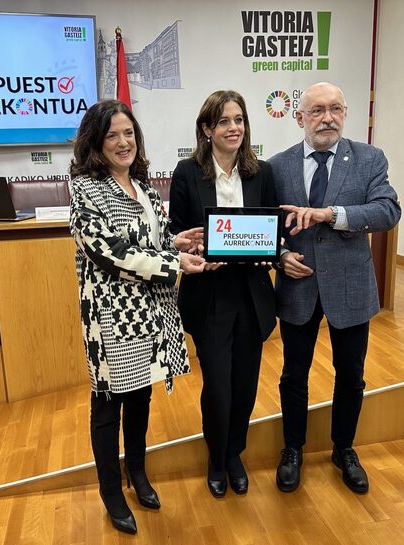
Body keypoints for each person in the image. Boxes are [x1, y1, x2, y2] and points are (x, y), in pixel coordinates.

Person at [69, 100, 206, 534]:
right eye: (112, 135)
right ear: (96, 141)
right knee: (108, 405)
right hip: (112, 313)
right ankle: (111, 490)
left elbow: (155, 237)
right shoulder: (84, 191)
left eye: (128, 133)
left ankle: (138, 471)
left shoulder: (144, 186)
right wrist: (174, 264)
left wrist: (177, 242)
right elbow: (112, 254)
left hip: (152, 311)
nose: (123, 142)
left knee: (141, 397)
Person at [269, 82, 401, 494]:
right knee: (294, 375)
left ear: (345, 113)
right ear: (300, 118)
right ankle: (292, 448)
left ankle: (344, 448)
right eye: (317, 110)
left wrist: (332, 214)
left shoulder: (368, 159)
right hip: (298, 287)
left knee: (352, 376)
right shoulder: (276, 166)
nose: (328, 117)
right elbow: (262, 226)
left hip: (349, 286)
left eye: (336, 109)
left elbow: (387, 210)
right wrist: (278, 255)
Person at [169, 90, 277, 498]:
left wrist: (272, 253)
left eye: (239, 120)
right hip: (209, 293)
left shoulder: (261, 173)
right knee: (218, 385)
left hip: (250, 294)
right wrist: (196, 250)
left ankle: (236, 454)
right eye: (224, 122)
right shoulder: (186, 172)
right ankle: (216, 458)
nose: (234, 128)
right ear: (206, 129)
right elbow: (177, 232)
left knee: (246, 383)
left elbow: (272, 232)